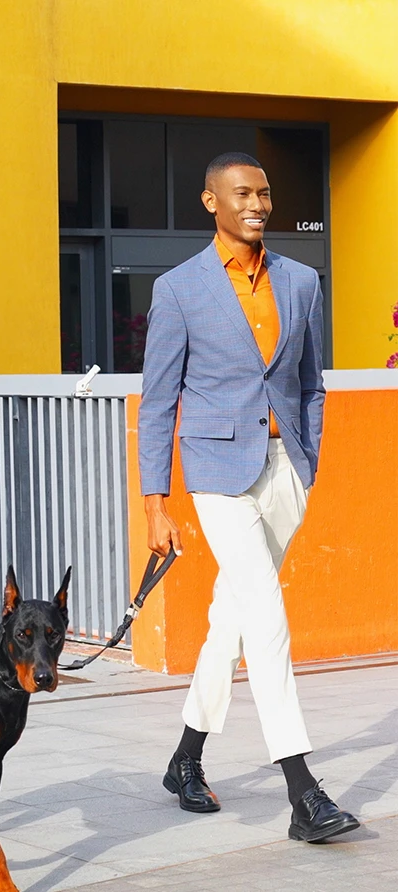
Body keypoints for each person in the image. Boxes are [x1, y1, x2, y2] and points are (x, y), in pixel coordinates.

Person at [138, 152, 359, 842]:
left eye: (264, 192)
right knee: (265, 614)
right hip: (216, 472)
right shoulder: (179, 289)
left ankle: (185, 758)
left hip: (285, 470)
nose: (257, 203)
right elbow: (157, 402)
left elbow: (310, 381)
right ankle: (303, 792)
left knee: (231, 617)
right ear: (211, 201)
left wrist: (307, 464)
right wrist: (155, 504)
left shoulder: (299, 280)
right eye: (242, 193)